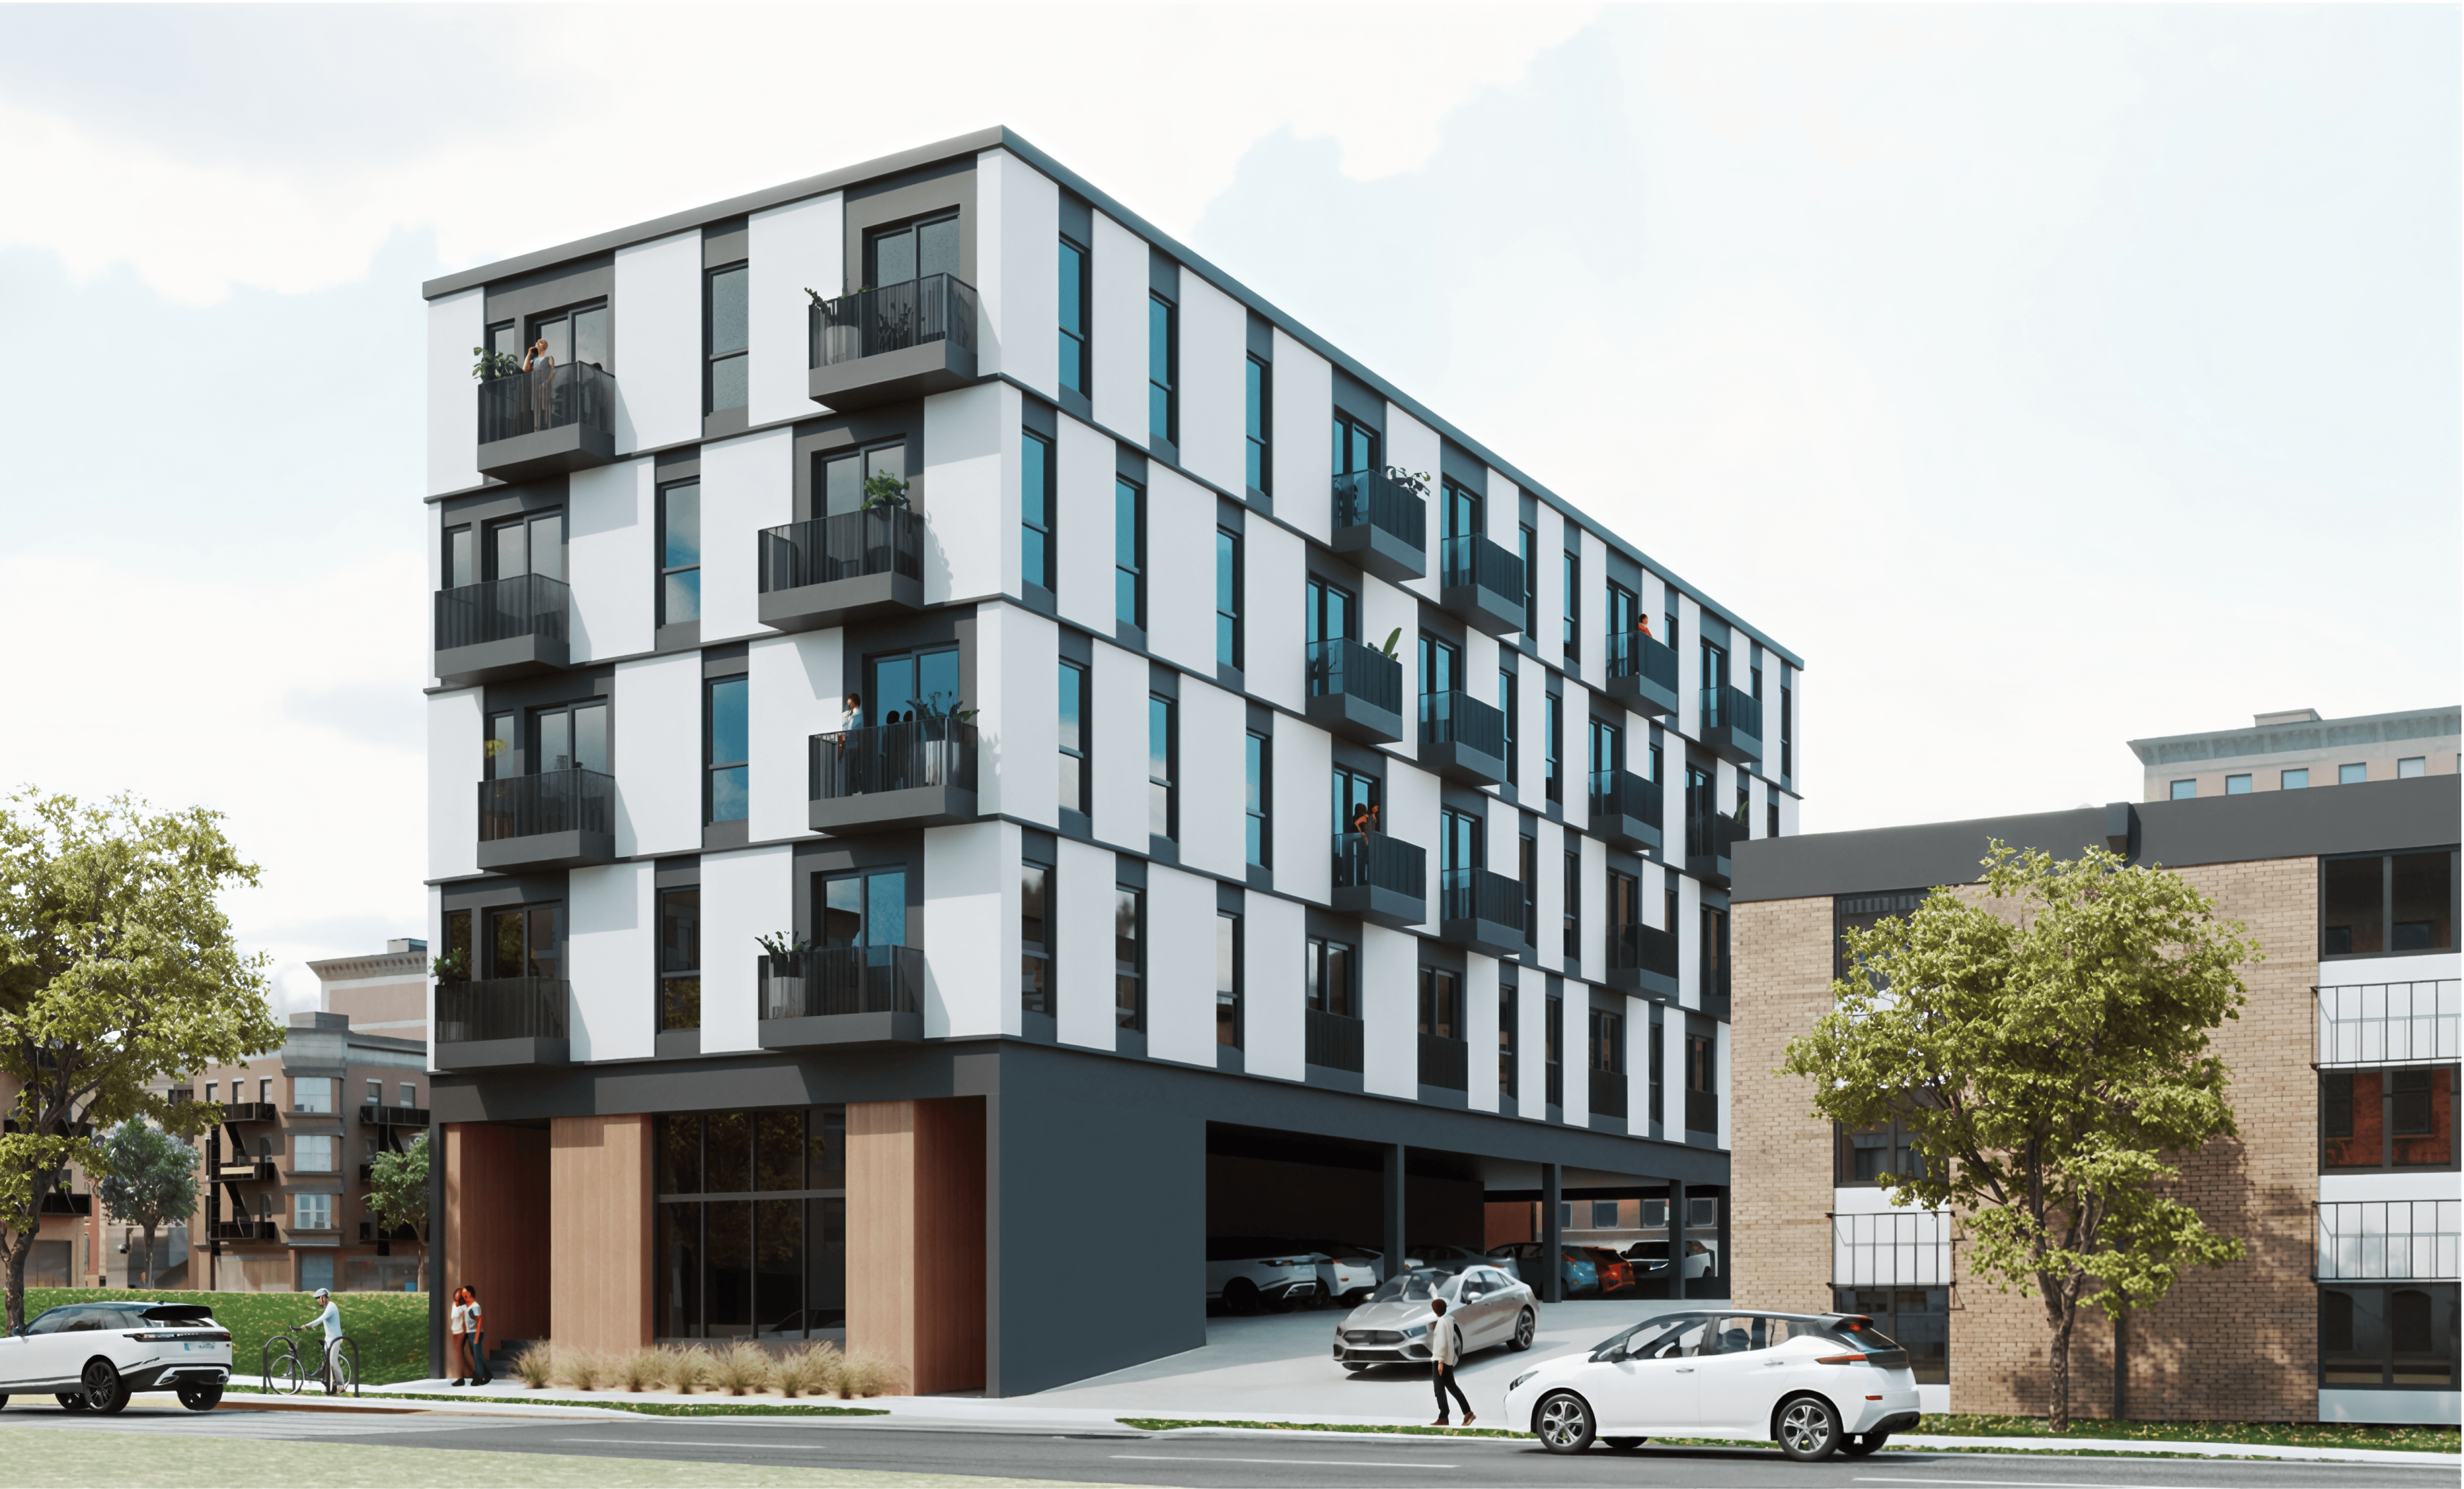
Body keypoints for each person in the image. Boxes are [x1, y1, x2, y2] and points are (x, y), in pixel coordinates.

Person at [1428, 1295, 1474, 1427]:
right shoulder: (1448, 1320)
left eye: (1434, 1309)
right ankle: (1468, 1413)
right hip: (1447, 1361)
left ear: (1437, 1310)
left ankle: (1444, 1417)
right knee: (1452, 1387)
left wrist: (1440, 1363)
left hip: (1440, 1361)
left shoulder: (1442, 1322)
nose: (1434, 1311)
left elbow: (1442, 1344)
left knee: (1439, 1389)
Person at [301, 1287, 344, 1392]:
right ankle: (330, 1386)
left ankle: (341, 1386)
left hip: (335, 1339)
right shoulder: (328, 1307)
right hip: (329, 1339)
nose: (318, 1302)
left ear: (324, 1298)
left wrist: (308, 1325)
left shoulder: (332, 1307)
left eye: (319, 1299)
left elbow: (322, 1318)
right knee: (327, 1364)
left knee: (333, 1362)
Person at [521, 336, 556, 433]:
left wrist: (547, 382)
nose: (538, 343)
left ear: (545, 346)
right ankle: (537, 428)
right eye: (537, 342)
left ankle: (547, 426)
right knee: (536, 407)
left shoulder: (549, 358)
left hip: (545, 387)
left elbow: (553, 370)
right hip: (535, 387)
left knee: (545, 406)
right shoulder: (534, 361)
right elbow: (525, 369)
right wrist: (530, 352)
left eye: (540, 343)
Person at [465, 1285, 490, 1385]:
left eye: (465, 1292)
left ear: (470, 1293)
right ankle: (488, 1375)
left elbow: (479, 1322)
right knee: (477, 1356)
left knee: (478, 1357)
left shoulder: (475, 1306)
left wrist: (476, 1337)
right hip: (470, 1334)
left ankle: (479, 1378)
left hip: (476, 1333)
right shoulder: (469, 1306)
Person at [447, 1288, 470, 1386]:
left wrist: (464, 1331)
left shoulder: (464, 1307)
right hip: (454, 1332)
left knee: (458, 1356)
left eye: (459, 1294)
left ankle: (461, 1378)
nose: (457, 1296)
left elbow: (466, 1319)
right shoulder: (454, 1304)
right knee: (460, 1355)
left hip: (461, 1332)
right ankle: (471, 1373)